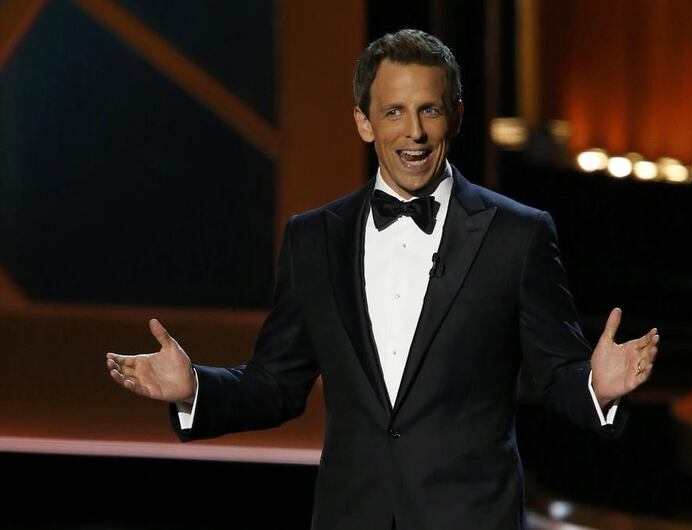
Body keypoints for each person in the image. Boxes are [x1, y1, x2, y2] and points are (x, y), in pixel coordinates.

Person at [105, 29, 658, 530]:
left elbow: (557, 371)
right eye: (393, 112)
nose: (413, 133)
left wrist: (597, 388)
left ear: (457, 117)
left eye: (430, 111)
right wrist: (195, 389)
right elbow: (277, 383)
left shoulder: (518, 235)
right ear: (363, 121)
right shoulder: (313, 239)